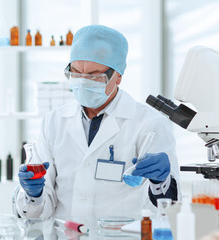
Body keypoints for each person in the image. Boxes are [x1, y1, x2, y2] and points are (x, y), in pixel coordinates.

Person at [15, 25, 180, 219]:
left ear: (118, 76)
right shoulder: (53, 122)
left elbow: (166, 210)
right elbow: (40, 211)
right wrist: (33, 195)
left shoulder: (150, 124)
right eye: (76, 73)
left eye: (94, 76)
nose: (83, 82)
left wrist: (161, 183)